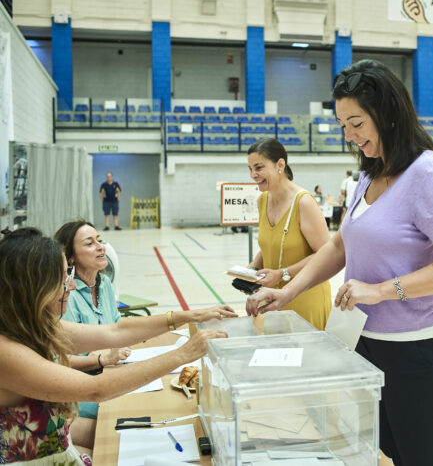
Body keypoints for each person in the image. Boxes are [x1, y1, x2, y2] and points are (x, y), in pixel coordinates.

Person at [246, 59, 433, 466]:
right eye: (342, 125)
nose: (349, 136)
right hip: (370, 344)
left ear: (387, 114)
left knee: (424, 458)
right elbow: (338, 247)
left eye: (356, 123)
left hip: (422, 352)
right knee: (392, 453)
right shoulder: (371, 173)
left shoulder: (426, 173)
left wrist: (383, 290)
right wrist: (287, 291)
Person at [0, 228, 235, 464]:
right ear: (34, 289)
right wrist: (182, 354)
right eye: (62, 279)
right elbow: (96, 389)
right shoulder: (6, 351)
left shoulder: (34, 326)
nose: (70, 286)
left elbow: (115, 331)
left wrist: (188, 315)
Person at [54, 220, 130, 448]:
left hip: (107, 373)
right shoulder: (66, 295)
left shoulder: (104, 283)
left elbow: (118, 329)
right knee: (126, 410)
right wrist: (100, 358)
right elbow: (61, 360)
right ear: (71, 257)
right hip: (81, 386)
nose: (100, 247)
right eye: (90, 243)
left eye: (100, 240)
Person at [247, 138, 332, 330]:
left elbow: (326, 254)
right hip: (271, 301)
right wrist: (251, 269)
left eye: (259, 167)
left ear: (280, 165)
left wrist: (282, 274)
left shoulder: (303, 202)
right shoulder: (263, 200)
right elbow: (270, 245)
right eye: (250, 169)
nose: (253, 174)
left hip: (305, 299)